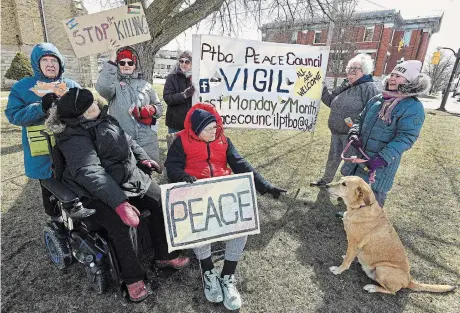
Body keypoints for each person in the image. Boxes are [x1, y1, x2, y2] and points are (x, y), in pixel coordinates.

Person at [45, 87, 190, 302]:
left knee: (161, 201)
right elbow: (90, 171)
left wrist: (142, 158)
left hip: (128, 178)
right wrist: (120, 203)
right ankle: (132, 277)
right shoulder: (71, 135)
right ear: (77, 116)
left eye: (93, 102)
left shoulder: (107, 118)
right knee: (119, 223)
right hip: (93, 190)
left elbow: (128, 141)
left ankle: (164, 255)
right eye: (88, 108)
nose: (95, 107)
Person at [165, 103, 286, 310]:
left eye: (215, 126)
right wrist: (182, 176)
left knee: (241, 222)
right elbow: (172, 165)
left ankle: (228, 274)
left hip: (223, 189)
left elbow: (240, 163)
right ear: (196, 130)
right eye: (209, 128)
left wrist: (265, 186)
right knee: (198, 226)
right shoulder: (181, 141)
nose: (215, 130)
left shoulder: (223, 140)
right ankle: (208, 271)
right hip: (196, 191)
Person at [4, 42, 90, 221]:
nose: (50, 64)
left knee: (74, 180)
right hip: (41, 151)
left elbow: (86, 110)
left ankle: (79, 220)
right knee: (49, 186)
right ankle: (56, 220)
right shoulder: (23, 87)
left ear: (60, 64)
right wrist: (39, 107)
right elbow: (13, 116)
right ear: (37, 63)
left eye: (54, 60)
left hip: (70, 146)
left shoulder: (71, 84)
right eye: (45, 60)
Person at [342, 60, 431, 208]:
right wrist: (354, 132)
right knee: (355, 193)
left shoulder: (413, 107)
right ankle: (352, 217)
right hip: (360, 158)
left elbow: (406, 138)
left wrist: (381, 159)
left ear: (410, 82)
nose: (392, 78)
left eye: (399, 76)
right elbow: (360, 119)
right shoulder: (377, 99)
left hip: (380, 165)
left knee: (371, 203)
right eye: (392, 74)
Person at [311, 54, 380, 187]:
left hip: (353, 136)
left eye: (356, 68)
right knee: (333, 158)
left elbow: (373, 114)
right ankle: (326, 180)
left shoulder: (368, 88)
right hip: (336, 132)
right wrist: (322, 89)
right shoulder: (346, 85)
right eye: (350, 68)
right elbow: (331, 102)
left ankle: (350, 188)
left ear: (364, 70)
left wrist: (361, 133)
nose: (351, 71)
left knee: (350, 164)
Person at [96, 40, 163, 163]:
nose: (126, 65)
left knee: (149, 171)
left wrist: (151, 110)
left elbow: (159, 108)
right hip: (124, 140)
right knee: (128, 174)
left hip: (147, 140)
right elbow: (102, 88)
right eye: (122, 62)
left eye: (130, 62)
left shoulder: (146, 85)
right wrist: (112, 58)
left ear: (134, 65)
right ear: (118, 64)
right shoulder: (113, 85)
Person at [163, 50, 195, 133]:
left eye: (187, 62)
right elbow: (167, 98)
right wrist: (184, 95)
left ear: (192, 63)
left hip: (193, 123)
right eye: (181, 61)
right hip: (175, 123)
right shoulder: (171, 77)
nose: (183, 64)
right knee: (175, 146)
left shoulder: (196, 78)